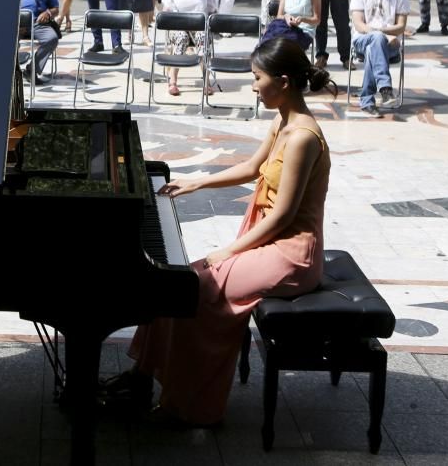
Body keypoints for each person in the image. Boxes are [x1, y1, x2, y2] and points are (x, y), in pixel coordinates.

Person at [105, 37, 333, 427]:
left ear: (282, 81)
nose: (252, 86)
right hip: (272, 241)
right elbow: (251, 168)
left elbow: (282, 217)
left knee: (192, 291)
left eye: (257, 78)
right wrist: (196, 182)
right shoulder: (284, 121)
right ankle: (142, 379)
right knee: (170, 283)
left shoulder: (302, 139)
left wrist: (228, 252)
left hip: (292, 254)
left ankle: (188, 407)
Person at [349, 0, 410, 118]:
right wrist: (380, 34)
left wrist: (382, 34)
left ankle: (367, 101)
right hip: (361, 40)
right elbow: (359, 24)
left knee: (373, 49)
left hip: (391, 45)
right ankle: (385, 88)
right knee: (375, 40)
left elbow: (401, 26)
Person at [162, 0, 221, 96]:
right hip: (177, 26)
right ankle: (173, 81)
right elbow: (166, 11)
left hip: (199, 25)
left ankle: (206, 81)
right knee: (181, 37)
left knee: (202, 37)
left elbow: (213, 10)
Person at [19, 0, 60, 86]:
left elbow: (56, 9)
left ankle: (31, 70)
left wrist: (48, 13)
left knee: (52, 38)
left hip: (38, 23)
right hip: (17, 23)